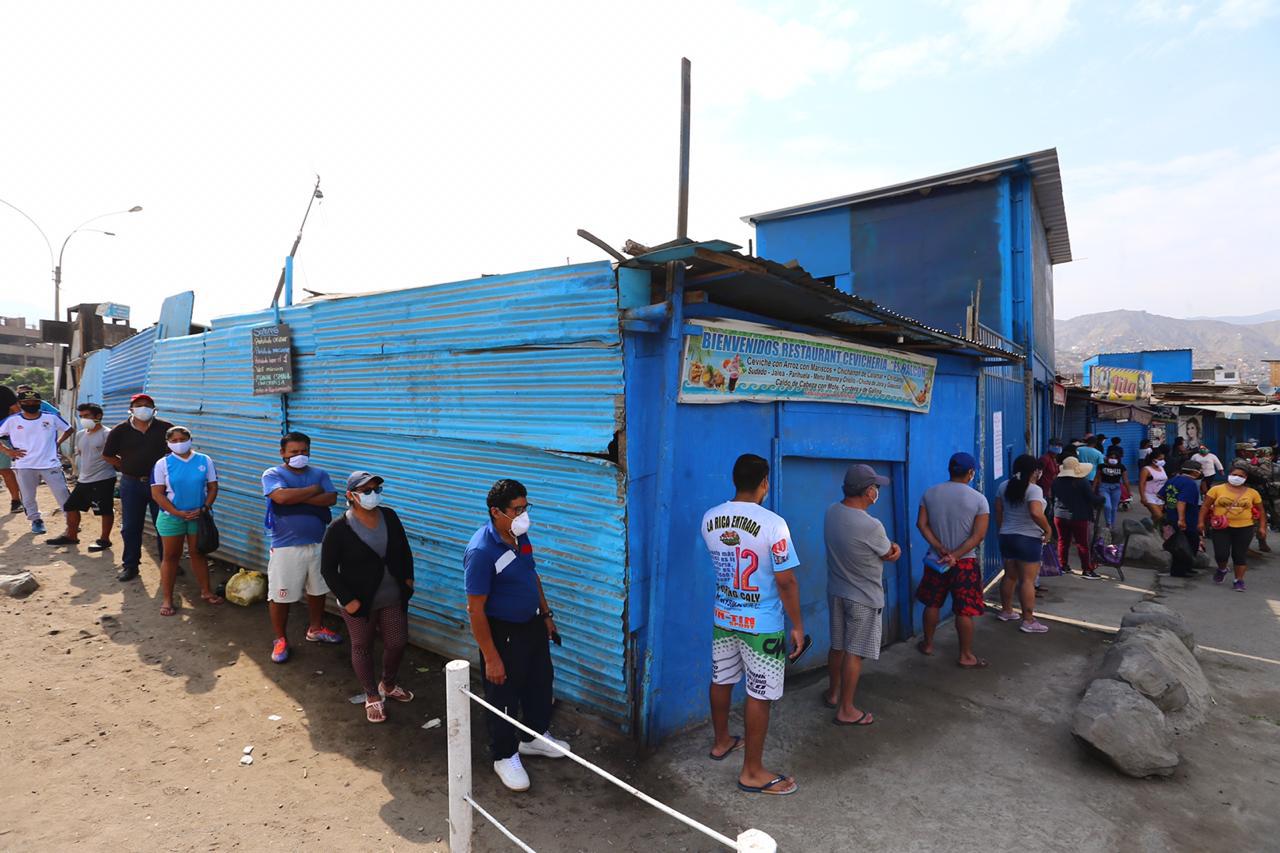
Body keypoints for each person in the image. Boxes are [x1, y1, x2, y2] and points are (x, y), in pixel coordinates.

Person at [699, 454, 804, 796]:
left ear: (735, 479)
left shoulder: (710, 518)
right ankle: (752, 772)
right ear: (764, 483)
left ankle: (721, 742)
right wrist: (797, 624)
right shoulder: (774, 524)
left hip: (724, 616)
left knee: (722, 678)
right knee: (759, 693)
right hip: (762, 625)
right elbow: (786, 581)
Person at [463, 478, 570, 791]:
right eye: (517, 509)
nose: (524, 515)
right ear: (496, 512)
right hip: (503, 633)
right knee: (504, 695)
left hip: (532, 624)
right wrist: (491, 657)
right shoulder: (481, 551)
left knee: (540, 682)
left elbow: (531, 574)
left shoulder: (519, 536)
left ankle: (534, 737)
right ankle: (504, 755)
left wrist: (546, 615)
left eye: (526, 507)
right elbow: (475, 610)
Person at [324, 472, 416, 723]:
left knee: (397, 642)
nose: (372, 495)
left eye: (376, 489)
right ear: (351, 496)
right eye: (366, 491)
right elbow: (328, 569)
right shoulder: (339, 528)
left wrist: (408, 579)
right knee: (362, 646)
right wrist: (348, 599)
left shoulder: (390, 517)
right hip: (359, 602)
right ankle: (372, 695)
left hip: (392, 595)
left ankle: (388, 683)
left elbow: (405, 550)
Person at [822, 463, 896, 725]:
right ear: (867, 492)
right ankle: (846, 709)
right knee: (854, 653)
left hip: (837, 591)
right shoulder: (871, 525)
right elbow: (887, 553)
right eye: (875, 487)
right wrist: (895, 549)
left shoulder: (832, 512)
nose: (877, 491)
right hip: (863, 597)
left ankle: (833, 694)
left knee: (837, 646)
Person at [262, 432, 342, 663]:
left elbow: (331, 499)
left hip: (318, 543)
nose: (300, 455)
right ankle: (280, 639)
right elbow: (281, 498)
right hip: (286, 546)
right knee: (281, 595)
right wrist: (314, 491)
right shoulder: (273, 474)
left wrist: (296, 498)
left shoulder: (319, 474)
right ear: (283, 453)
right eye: (294, 452)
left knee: (317, 589)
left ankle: (315, 629)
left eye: (304, 451)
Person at [915, 452, 991, 667]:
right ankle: (965, 655)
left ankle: (928, 644)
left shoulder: (930, 493)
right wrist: (955, 555)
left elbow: (921, 524)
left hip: (936, 561)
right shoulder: (978, 499)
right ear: (971, 472)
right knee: (964, 610)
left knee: (932, 603)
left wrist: (940, 548)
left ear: (950, 470)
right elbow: (979, 535)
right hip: (964, 562)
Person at [150, 426, 222, 615]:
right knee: (171, 557)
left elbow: (213, 487)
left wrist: (204, 507)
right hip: (171, 518)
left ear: (190, 440)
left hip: (198, 518)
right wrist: (177, 512)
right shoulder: (162, 464)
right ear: (167, 443)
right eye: (174, 441)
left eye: (182, 439)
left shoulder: (204, 460)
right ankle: (167, 599)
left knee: (198, 553)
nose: (179, 443)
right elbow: (157, 494)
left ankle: (206, 591)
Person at [102, 394, 174, 581]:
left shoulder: (166, 428)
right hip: (132, 484)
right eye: (139, 405)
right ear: (131, 409)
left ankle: (168, 562)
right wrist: (125, 466)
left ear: (154, 409)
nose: (143, 408)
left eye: (148, 405)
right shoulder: (120, 430)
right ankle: (130, 565)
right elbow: (108, 455)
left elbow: (176, 451)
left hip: (161, 485)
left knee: (165, 526)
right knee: (131, 526)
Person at [0, 390, 73, 535]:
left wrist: (57, 443)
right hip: (24, 465)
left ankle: (71, 522)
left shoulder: (51, 418)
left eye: (34, 402)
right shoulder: (12, 421)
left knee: (62, 494)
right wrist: (7, 451)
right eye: (26, 402)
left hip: (50, 464)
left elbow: (69, 429)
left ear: (40, 403)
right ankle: (36, 520)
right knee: (28, 496)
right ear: (19, 404)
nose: (31, 404)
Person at [995, 455, 1054, 633]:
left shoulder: (1003, 486)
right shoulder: (1034, 489)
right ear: (1034, 471)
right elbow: (1035, 512)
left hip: (1007, 536)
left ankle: (1006, 611)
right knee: (1027, 580)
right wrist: (1048, 529)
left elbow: (998, 510)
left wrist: (1002, 529)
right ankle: (1028, 620)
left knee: (1009, 576)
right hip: (1028, 539)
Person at [46, 403, 117, 549]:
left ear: (98, 416)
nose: (83, 419)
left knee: (104, 509)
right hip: (85, 479)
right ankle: (71, 536)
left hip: (103, 478)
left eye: (87, 416)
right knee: (70, 506)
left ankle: (104, 539)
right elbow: (82, 454)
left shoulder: (107, 434)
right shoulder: (80, 434)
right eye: (81, 416)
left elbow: (114, 455)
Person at [1200, 466, 1267, 592]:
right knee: (1221, 554)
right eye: (1235, 475)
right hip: (1221, 527)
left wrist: (1262, 527)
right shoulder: (1216, 489)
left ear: (1246, 478)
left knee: (1239, 555)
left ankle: (1239, 580)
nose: (1237, 478)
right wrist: (1201, 522)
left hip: (1245, 527)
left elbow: (1261, 510)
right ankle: (1222, 569)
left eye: (1241, 476)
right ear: (1229, 474)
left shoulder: (1252, 493)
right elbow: (1205, 506)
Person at [1054, 457, 1104, 578]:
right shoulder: (1081, 482)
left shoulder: (1056, 481)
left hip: (1059, 516)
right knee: (1082, 544)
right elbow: (1091, 498)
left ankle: (1063, 565)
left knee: (1063, 541)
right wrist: (1101, 499)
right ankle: (1087, 569)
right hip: (1078, 516)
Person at [1164, 463, 1203, 578]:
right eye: (1200, 470)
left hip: (1172, 516)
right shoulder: (1189, 483)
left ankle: (1185, 568)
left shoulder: (1172, 480)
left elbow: (1161, 495)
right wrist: (1181, 519)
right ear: (1195, 472)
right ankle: (1180, 570)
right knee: (1187, 544)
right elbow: (1182, 501)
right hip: (1186, 519)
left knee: (1179, 543)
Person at [1094, 447, 1129, 529]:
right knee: (1107, 506)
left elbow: (1125, 480)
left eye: (1115, 458)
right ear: (1107, 458)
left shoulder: (1121, 467)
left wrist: (1128, 491)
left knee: (1114, 508)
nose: (1113, 459)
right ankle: (1108, 523)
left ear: (1118, 459)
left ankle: (1112, 525)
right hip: (1104, 487)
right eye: (1111, 457)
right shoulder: (1101, 466)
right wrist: (1094, 487)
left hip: (1116, 488)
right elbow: (1097, 477)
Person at [0, 384, 21, 512]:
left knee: (4, 470)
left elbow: (16, 410)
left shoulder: (3, 391)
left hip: (2, 435)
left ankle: (16, 500)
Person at [1138, 447, 1169, 522]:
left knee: (1156, 516)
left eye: (1163, 459)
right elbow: (1141, 483)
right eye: (1160, 459)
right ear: (1153, 460)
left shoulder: (1161, 468)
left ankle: (1150, 526)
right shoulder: (1146, 469)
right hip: (1149, 495)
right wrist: (1143, 497)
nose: (1162, 461)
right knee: (1159, 515)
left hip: (1160, 496)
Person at [1039, 439, 1062, 504]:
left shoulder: (1054, 459)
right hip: (1045, 489)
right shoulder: (1045, 459)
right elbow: (1039, 474)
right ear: (1050, 446)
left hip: (1052, 488)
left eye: (1060, 446)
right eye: (1056, 445)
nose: (1058, 447)